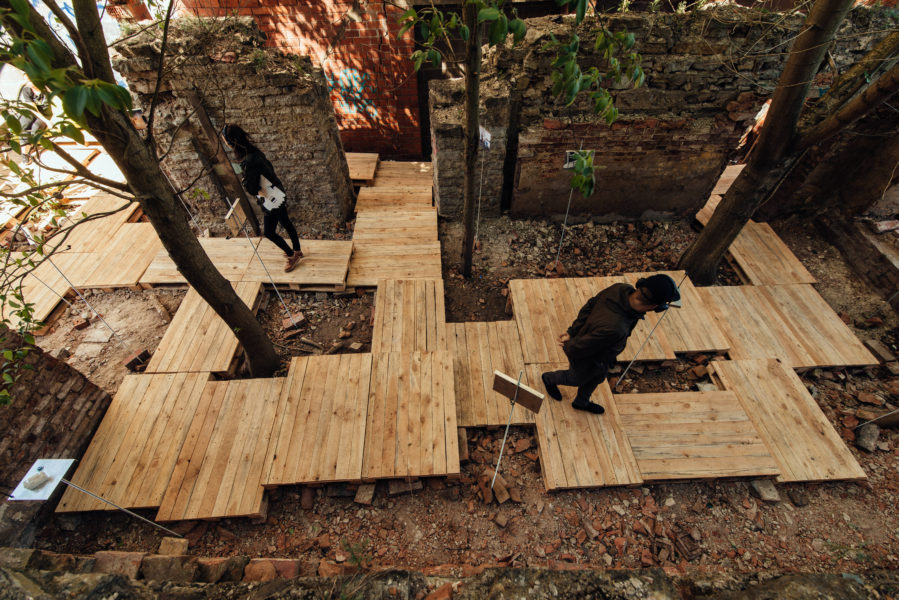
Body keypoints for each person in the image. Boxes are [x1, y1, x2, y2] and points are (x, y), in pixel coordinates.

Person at [541, 274, 680, 414]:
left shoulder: (621, 288)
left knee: (597, 377)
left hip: (601, 355)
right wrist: (570, 344)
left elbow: (590, 305)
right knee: (576, 378)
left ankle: (581, 402)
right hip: (587, 355)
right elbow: (581, 347)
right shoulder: (616, 328)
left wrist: (572, 331)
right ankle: (548, 378)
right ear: (654, 307)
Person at [221, 124, 303, 272]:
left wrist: (244, 180)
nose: (225, 143)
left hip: (270, 197)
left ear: (231, 142)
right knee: (285, 221)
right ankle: (297, 250)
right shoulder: (254, 151)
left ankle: (292, 255)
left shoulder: (248, 161)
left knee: (269, 233)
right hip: (277, 191)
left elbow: (252, 189)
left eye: (225, 140)